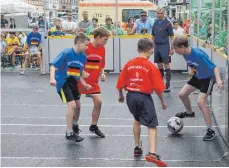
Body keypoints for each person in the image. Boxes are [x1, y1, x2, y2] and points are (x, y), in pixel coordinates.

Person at [116, 38, 168, 167]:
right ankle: (152, 154)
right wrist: (163, 101)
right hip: (143, 97)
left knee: (137, 119)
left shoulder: (129, 64)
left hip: (131, 97)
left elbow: (121, 83)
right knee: (152, 125)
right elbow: (158, 87)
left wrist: (121, 95)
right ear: (150, 50)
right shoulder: (150, 66)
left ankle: (137, 147)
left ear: (138, 49)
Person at [172, 36, 224, 141]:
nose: (174, 50)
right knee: (182, 95)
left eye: (175, 48)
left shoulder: (198, 55)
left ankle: (210, 130)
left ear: (182, 47)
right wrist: (193, 69)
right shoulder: (184, 54)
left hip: (208, 78)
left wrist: (218, 80)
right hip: (198, 76)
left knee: (201, 102)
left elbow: (214, 67)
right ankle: (189, 113)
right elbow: (193, 64)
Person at [49, 33, 91, 142]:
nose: (87, 48)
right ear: (78, 43)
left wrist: (84, 83)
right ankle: (69, 132)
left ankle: (74, 124)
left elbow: (79, 72)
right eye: (86, 45)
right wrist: (52, 78)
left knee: (78, 106)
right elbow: (53, 65)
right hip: (63, 82)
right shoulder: (67, 52)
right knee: (71, 105)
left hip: (73, 82)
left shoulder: (83, 57)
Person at [77, 27, 110, 138]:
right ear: (98, 37)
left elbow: (102, 63)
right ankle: (74, 126)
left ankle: (93, 126)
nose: (106, 42)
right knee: (76, 106)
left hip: (93, 82)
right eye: (105, 39)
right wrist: (83, 71)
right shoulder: (86, 47)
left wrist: (102, 73)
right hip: (79, 80)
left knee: (99, 102)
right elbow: (77, 62)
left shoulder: (102, 49)